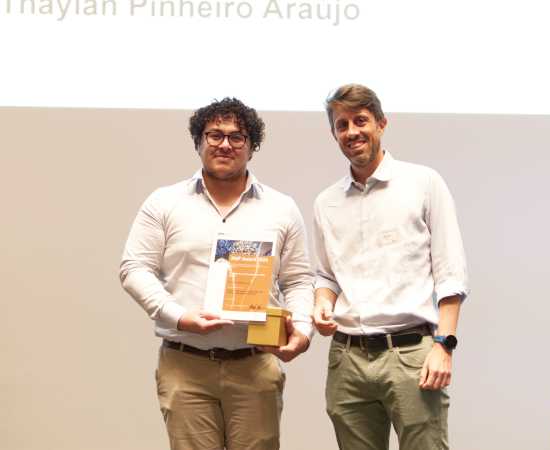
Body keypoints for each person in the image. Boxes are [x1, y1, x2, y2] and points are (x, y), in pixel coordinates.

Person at [120, 97, 313, 450]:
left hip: (254, 365)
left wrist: (301, 329)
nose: (225, 144)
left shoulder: (281, 208)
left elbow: (299, 280)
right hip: (185, 365)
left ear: (252, 147)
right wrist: (179, 316)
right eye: (214, 135)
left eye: (237, 137)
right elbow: (134, 268)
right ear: (199, 141)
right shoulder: (164, 203)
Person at [312, 84, 469, 450]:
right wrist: (322, 302)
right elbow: (326, 276)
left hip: (412, 353)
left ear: (381, 123)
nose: (352, 132)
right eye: (341, 125)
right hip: (347, 359)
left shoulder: (423, 183)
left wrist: (444, 345)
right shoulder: (327, 202)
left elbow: (451, 273)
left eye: (360, 121)